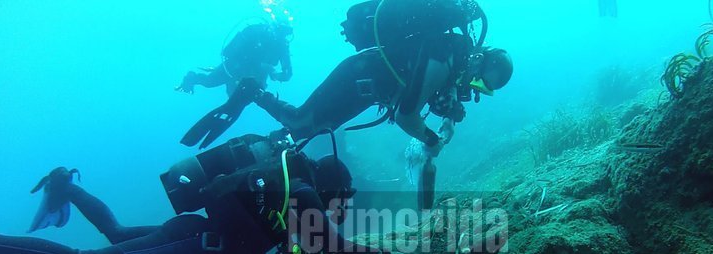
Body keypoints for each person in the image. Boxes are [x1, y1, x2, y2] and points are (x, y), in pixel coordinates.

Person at [0, 133, 391, 254]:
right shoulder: (303, 194)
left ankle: (67, 186)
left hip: (198, 232)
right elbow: (331, 252)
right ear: (329, 186)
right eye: (339, 199)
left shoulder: (291, 189)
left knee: (116, 235)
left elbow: (307, 247)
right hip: (197, 240)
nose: (335, 209)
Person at [181, 0, 513, 209]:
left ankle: (239, 167)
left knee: (309, 131)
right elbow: (406, 114)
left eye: (484, 89)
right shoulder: (444, 58)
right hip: (357, 78)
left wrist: (449, 111)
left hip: (368, 88)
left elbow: (427, 95)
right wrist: (429, 138)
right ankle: (253, 91)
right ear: (479, 58)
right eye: (481, 79)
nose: (476, 87)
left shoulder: (453, 62)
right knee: (301, 124)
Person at [176, 12, 294, 97]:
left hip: (256, 75)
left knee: (244, 97)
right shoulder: (256, 31)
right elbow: (230, 51)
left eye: (285, 33)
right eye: (280, 30)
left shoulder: (283, 46)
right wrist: (268, 68)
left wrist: (276, 75)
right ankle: (190, 78)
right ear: (273, 26)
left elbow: (287, 73)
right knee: (209, 82)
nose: (281, 35)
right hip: (235, 66)